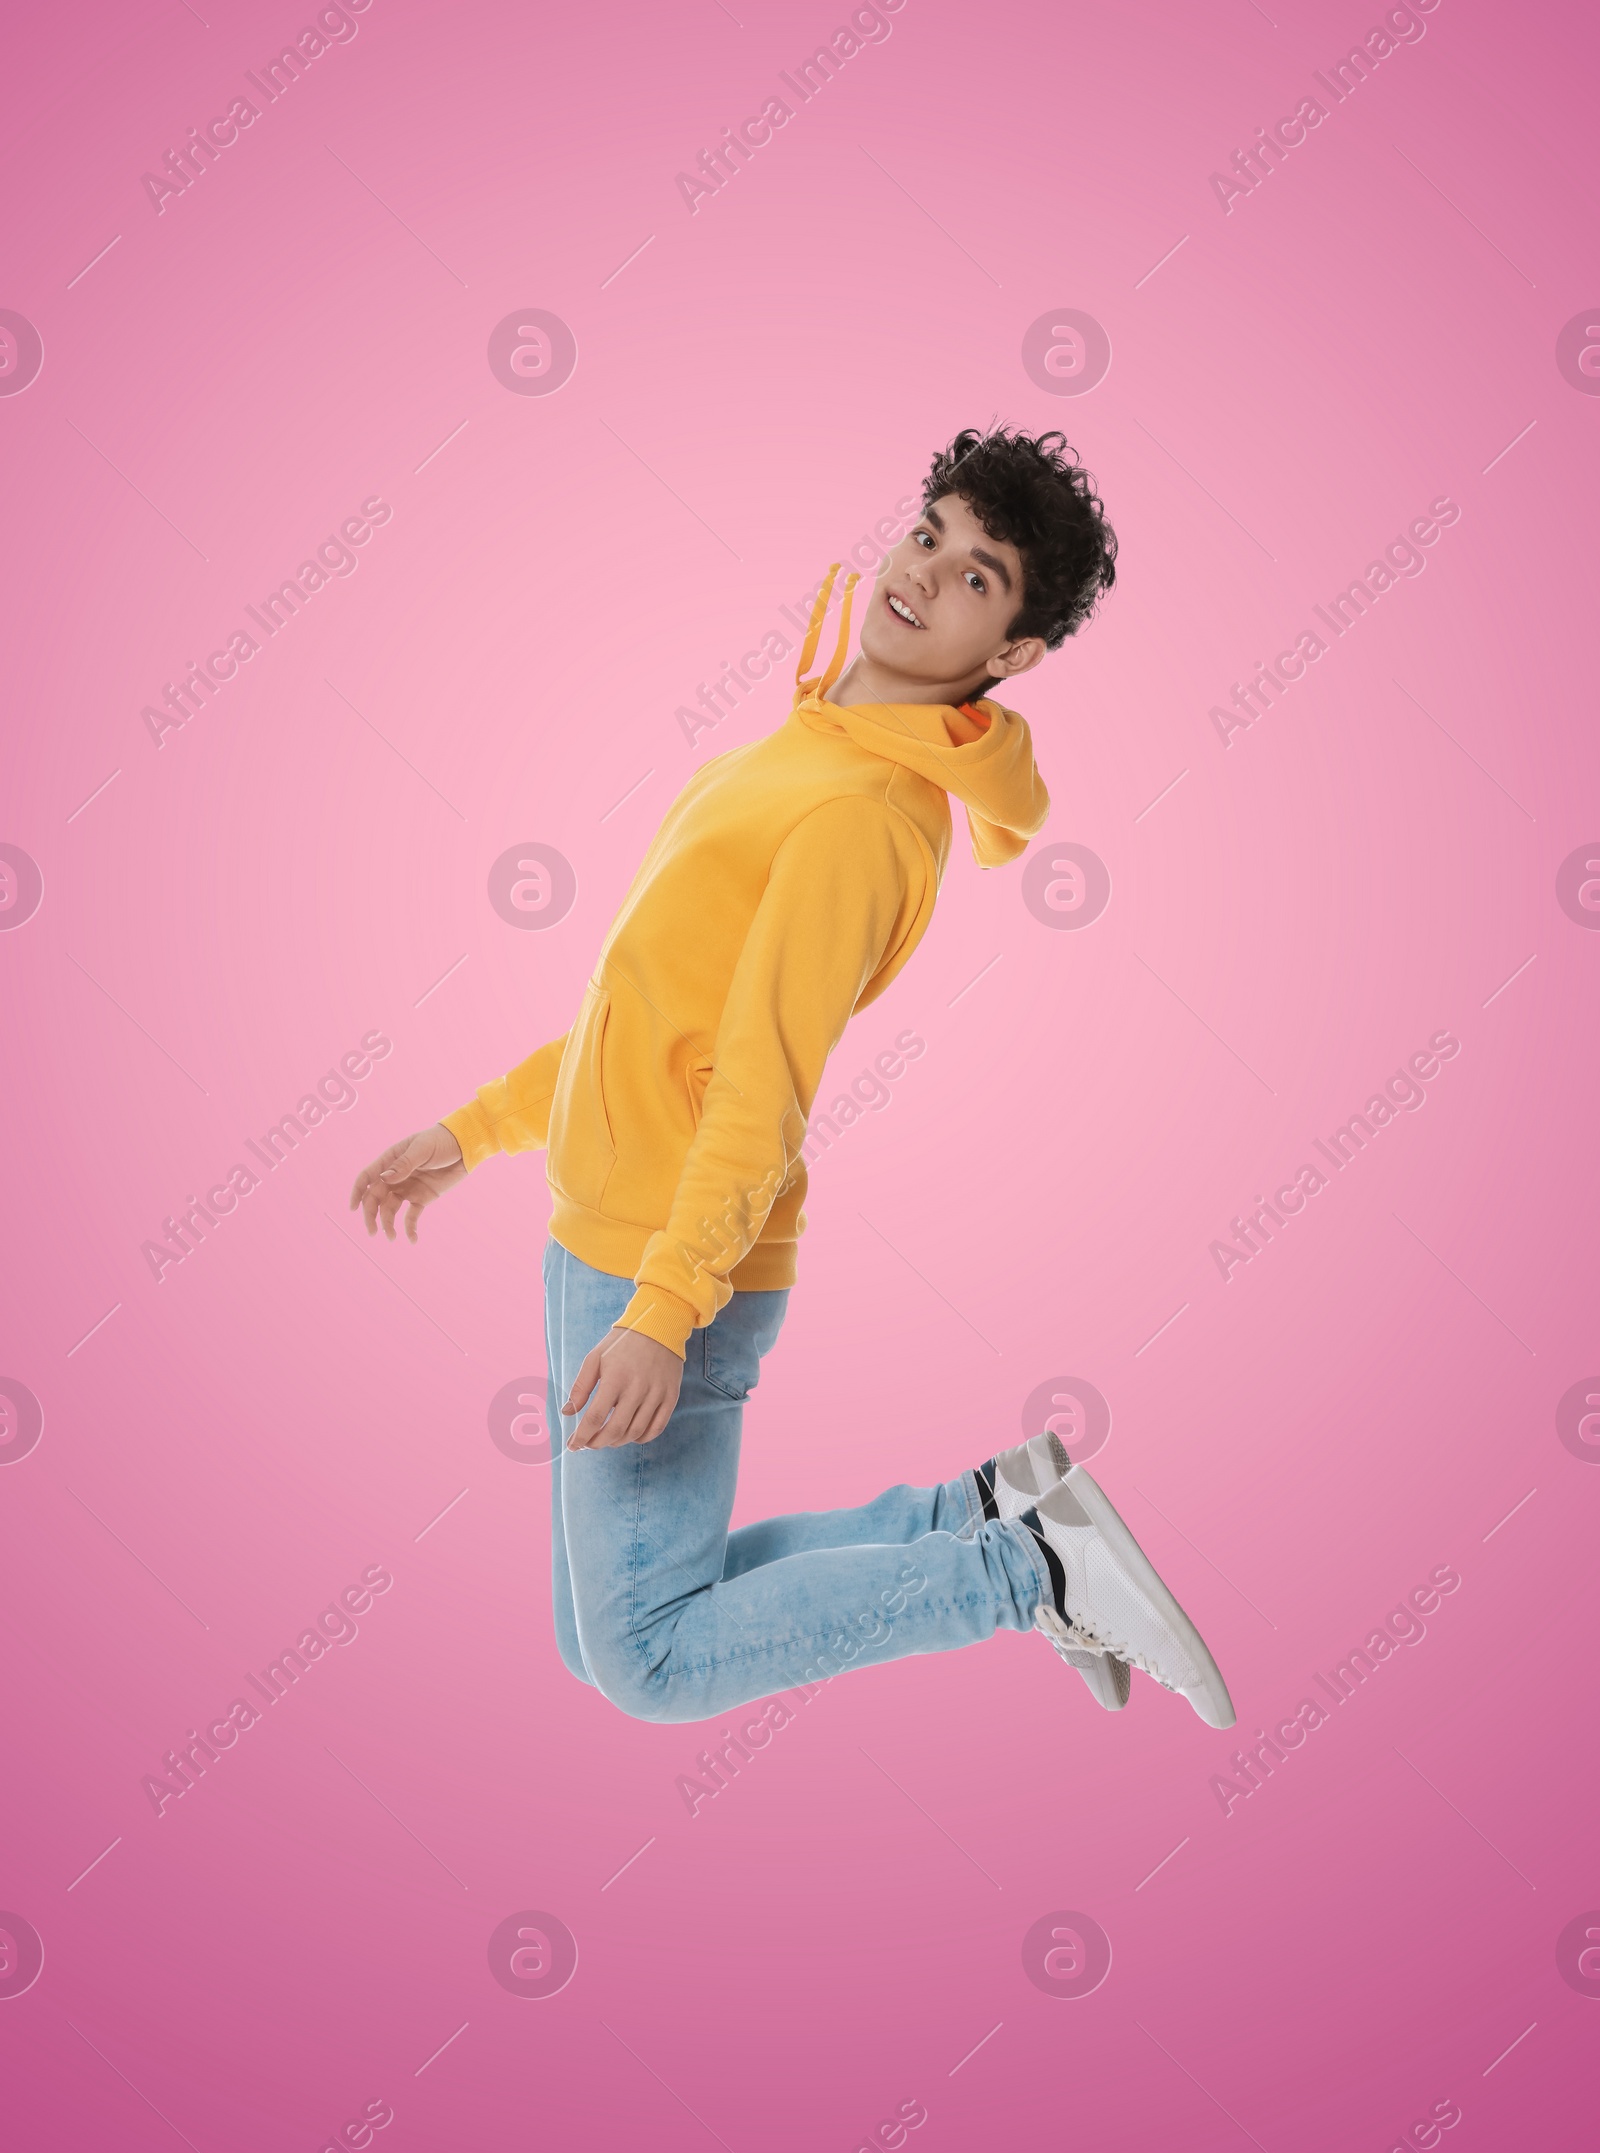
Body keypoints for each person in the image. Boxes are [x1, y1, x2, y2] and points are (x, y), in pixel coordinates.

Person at [349, 427, 1235, 1734]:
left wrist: (662, 1310)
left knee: (650, 1659)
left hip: (671, 1264)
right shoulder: (803, 746)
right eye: (930, 531)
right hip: (612, 1243)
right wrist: (475, 1129)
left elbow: (759, 1089)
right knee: (606, 1641)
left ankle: (1027, 1567)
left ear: (1012, 655)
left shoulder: (861, 815)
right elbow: (652, 1021)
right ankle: (982, 1511)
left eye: (977, 576)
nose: (924, 573)